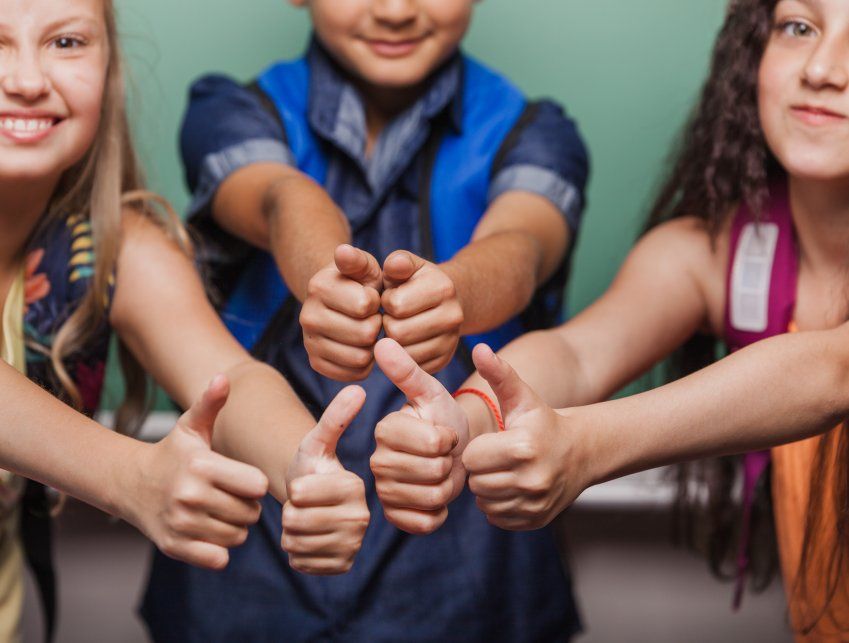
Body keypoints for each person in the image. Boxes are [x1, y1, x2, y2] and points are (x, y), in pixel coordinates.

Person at [372, 0, 849, 639]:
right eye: (800, 27)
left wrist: (588, 447)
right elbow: (578, 355)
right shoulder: (717, 252)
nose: (823, 67)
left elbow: (831, 371)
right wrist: (464, 422)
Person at [142, 0, 590, 640]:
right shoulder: (230, 110)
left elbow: (523, 242)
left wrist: (454, 291)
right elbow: (277, 195)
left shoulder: (537, 132)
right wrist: (327, 277)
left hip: (472, 569)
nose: (395, 10)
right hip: (248, 557)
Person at [0, 0, 370, 639]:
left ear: (110, 67)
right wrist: (130, 475)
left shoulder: (112, 249)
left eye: (65, 43)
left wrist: (304, 468)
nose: (29, 80)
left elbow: (231, 377)